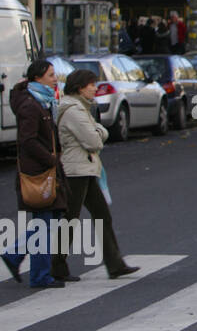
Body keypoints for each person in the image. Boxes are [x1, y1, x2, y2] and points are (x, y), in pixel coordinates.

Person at [53, 69, 139, 280]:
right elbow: (93, 141)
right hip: (76, 171)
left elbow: (96, 134)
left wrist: (98, 132)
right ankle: (56, 266)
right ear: (79, 87)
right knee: (70, 220)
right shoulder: (74, 110)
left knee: (101, 216)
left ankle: (115, 264)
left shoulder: (81, 108)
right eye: (91, 85)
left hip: (86, 169)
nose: (95, 88)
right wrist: (99, 132)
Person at [2, 61, 69, 288]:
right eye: (51, 75)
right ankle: (33, 271)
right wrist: (50, 159)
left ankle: (22, 261)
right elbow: (27, 140)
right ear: (38, 78)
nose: (55, 78)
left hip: (44, 171)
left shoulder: (42, 101)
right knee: (44, 225)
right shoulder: (31, 106)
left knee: (46, 224)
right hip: (38, 173)